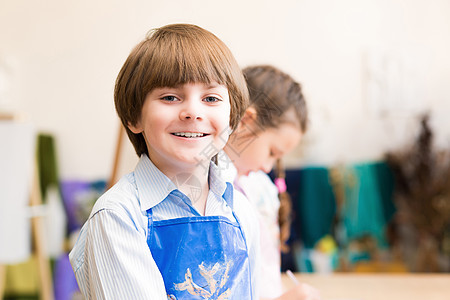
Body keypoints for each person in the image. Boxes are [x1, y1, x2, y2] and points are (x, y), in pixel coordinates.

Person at [69, 24, 260, 299]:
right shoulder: (118, 216)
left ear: (231, 119)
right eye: (170, 97)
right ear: (134, 117)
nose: (193, 112)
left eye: (211, 98)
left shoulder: (240, 209)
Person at [220, 65, 321, 299]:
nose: (268, 167)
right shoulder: (204, 190)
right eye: (271, 152)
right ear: (246, 121)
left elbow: (264, 275)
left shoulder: (260, 188)